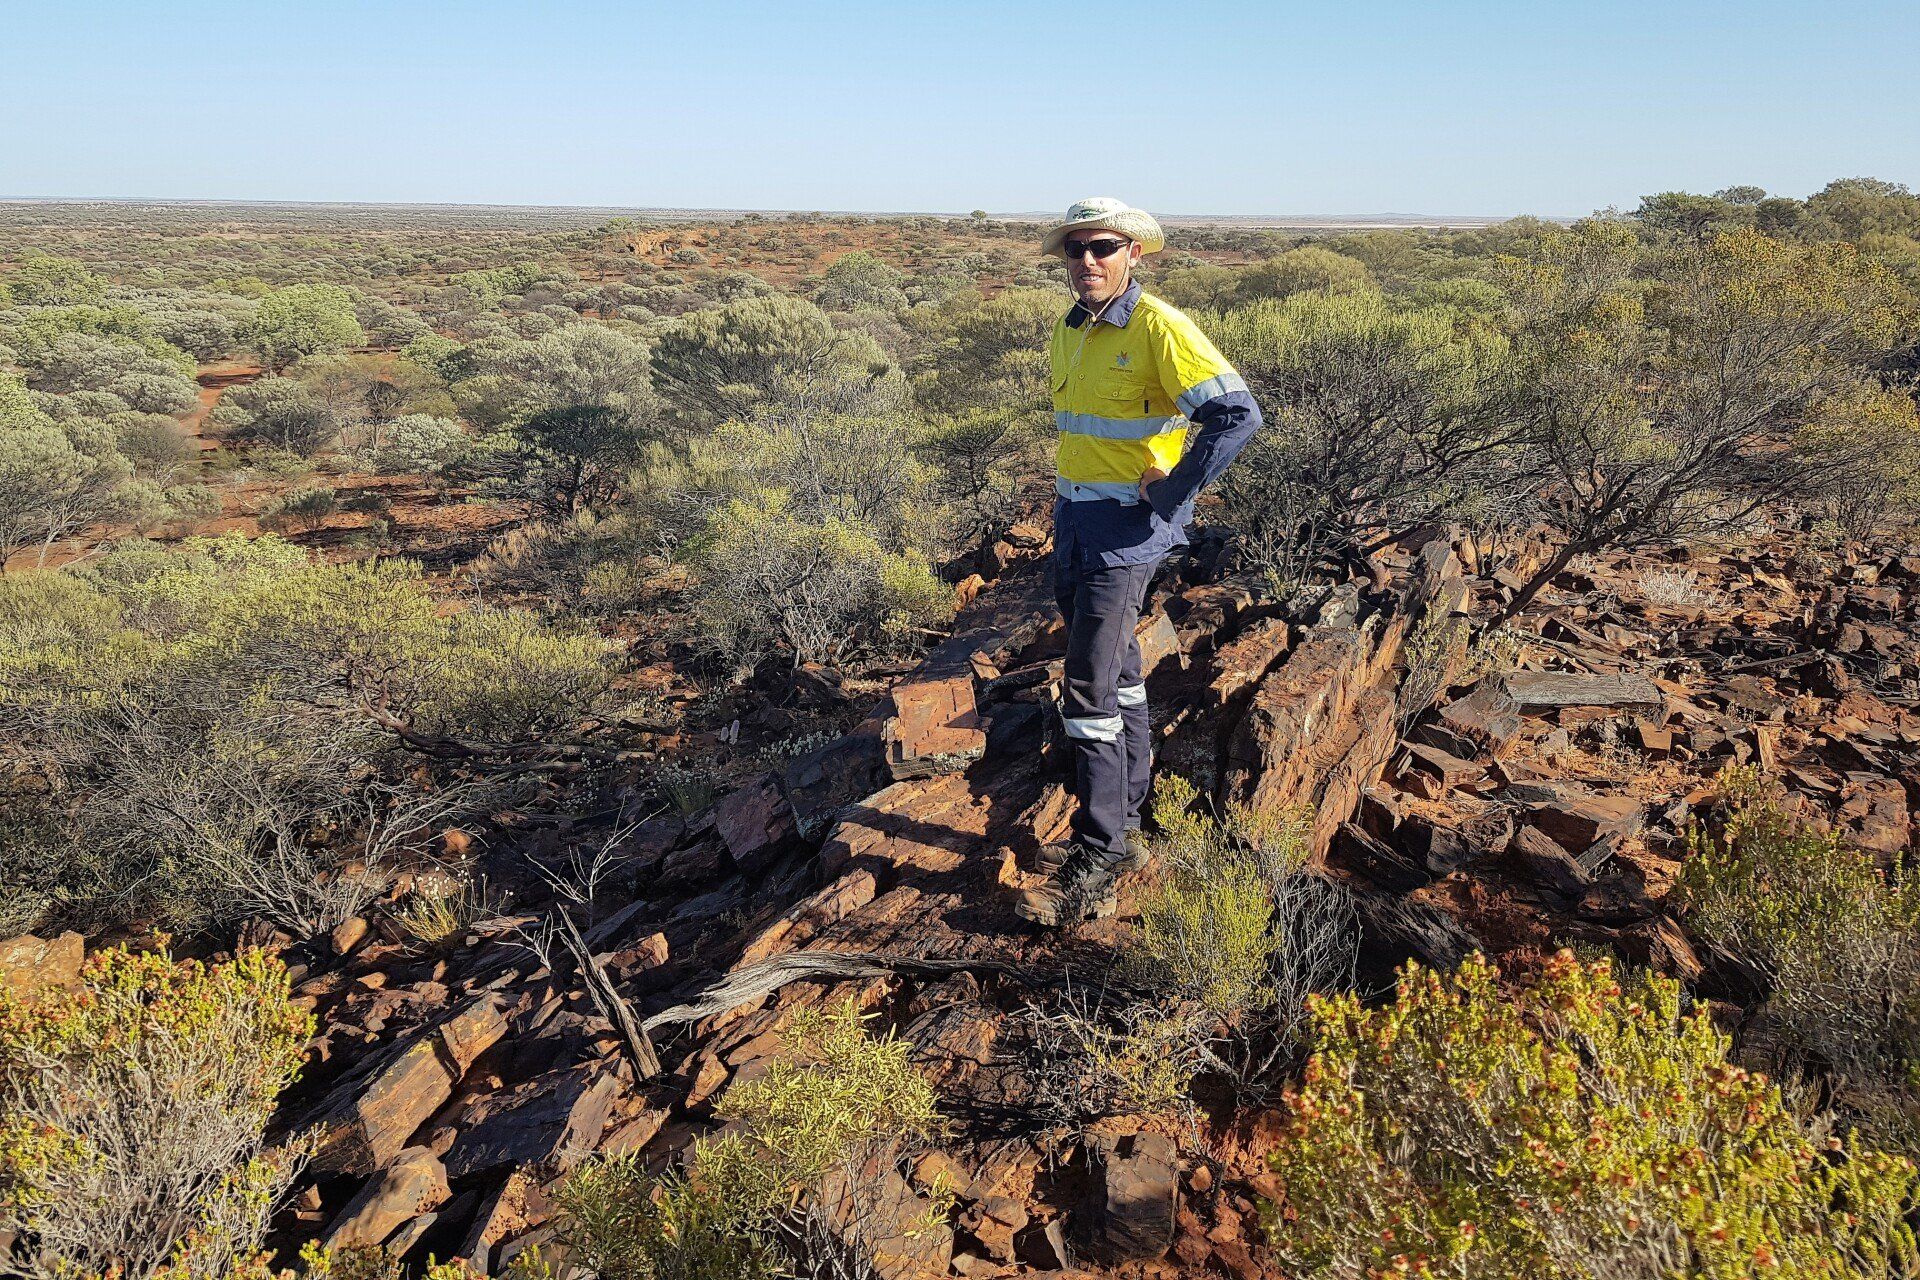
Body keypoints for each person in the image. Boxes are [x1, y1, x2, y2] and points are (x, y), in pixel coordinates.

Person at [1014, 197, 1263, 927]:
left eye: (1103, 247)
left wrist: (1176, 491)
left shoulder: (1158, 326)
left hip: (1126, 530)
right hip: (1075, 516)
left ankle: (1101, 856)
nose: (1087, 260)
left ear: (1134, 255)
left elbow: (1236, 414)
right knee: (1117, 673)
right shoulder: (1070, 329)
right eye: (1076, 249)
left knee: (1087, 685)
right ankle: (1127, 822)